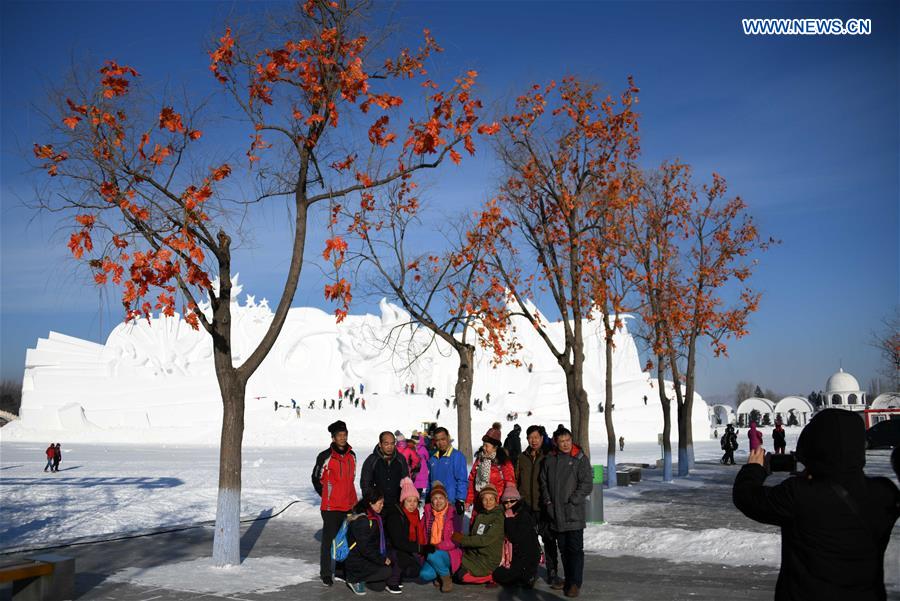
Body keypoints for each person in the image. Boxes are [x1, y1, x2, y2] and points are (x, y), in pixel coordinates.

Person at [733, 409, 900, 601]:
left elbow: (746, 497)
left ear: (811, 445)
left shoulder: (798, 494)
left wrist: (754, 469)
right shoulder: (883, 493)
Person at [540, 427, 592, 598]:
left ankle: (575, 583)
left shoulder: (579, 458)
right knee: (563, 549)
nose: (565, 444)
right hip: (556, 513)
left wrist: (574, 500)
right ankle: (569, 580)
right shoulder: (550, 459)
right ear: (556, 442)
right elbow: (544, 482)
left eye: (568, 440)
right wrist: (548, 502)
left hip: (573, 512)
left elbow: (586, 483)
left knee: (575, 549)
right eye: (562, 441)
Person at [311, 420, 358, 586]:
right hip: (331, 507)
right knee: (329, 540)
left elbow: (351, 479)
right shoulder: (325, 456)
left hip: (348, 505)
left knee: (345, 539)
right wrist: (325, 496)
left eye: (345, 435)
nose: (343, 438)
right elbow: (316, 478)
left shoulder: (352, 455)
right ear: (333, 437)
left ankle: (340, 570)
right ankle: (325, 572)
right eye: (339, 435)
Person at [516, 424, 560, 586]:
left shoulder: (549, 456)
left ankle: (552, 573)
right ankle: (530, 573)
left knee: (548, 541)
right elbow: (516, 479)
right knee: (529, 543)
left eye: (536, 437)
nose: (533, 440)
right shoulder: (522, 457)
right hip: (526, 506)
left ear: (542, 438)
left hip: (544, 506)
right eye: (530, 437)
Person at [383, 478, 434, 593]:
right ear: (403, 501)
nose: (412, 504)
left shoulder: (414, 515)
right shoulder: (395, 516)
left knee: (415, 569)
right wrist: (420, 548)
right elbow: (398, 542)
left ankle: (399, 575)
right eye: (409, 501)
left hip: (403, 547)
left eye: (415, 501)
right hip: (390, 548)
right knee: (402, 557)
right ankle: (392, 581)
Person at [451, 484, 504, 587]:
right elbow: (474, 535)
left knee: (461, 577)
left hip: (487, 558)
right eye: (485, 499)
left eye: (491, 499)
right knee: (453, 567)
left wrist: (462, 540)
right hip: (474, 555)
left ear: (496, 500)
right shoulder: (480, 515)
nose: (488, 502)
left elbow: (484, 540)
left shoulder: (499, 518)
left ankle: (492, 576)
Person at [344, 487, 393, 595]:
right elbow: (365, 548)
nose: (382, 505)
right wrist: (382, 559)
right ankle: (353, 579)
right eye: (380, 503)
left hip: (364, 557)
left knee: (379, 586)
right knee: (387, 570)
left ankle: (362, 578)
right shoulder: (362, 520)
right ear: (371, 503)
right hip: (357, 561)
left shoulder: (372, 516)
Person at [492, 483, 540, 588]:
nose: (508, 504)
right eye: (505, 502)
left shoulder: (523, 516)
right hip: (519, 557)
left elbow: (514, 537)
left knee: (499, 576)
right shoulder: (514, 513)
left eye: (512, 501)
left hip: (528, 558)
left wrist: (509, 519)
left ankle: (528, 575)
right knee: (500, 575)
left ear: (518, 501)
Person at [420, 481, 462, 592]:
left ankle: (446, 578)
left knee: (433, 555)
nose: (438, 501)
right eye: (435, 498)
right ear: (431, 500)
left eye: (441, 498)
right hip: (431, 552)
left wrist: (437, 547)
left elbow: (457, 540)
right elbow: (421, 533)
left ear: (446, 499)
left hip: (449, 553)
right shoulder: (427, 514)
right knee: (424, 574)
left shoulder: (453, 515)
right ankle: (440, 572)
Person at [466, 424, 516, 515]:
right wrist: (469, 500)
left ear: (495, 447)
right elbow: (471, 480)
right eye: (483, 445)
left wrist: (507, 503)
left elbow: (510, 483)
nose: (483, 448)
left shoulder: (503, 462)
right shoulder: (480, 460)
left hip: (497, 505)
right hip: (479, 504)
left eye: (486, 446)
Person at [428, 427, 468, 529]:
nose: (441, 443)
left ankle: (458, 545)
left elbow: (462, 480)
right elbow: (430, 480)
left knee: (454, 532)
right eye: (437, 440)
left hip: (452, 502)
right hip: (436, 502)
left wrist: (460, 499)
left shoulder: (457, 456)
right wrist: (429, 496)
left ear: (448, 438)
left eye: (443, 439)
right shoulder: (433, 458)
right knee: (437, 533)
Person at [360, 432, 410, 507]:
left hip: (396, 505)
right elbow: (365, 484)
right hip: (377, 505)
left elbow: (406, 482)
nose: (390, 447)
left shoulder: (400, 459)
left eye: (392, 443)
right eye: (386, 444)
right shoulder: (372, 460)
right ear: (380, 444)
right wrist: (373, 501)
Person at [411, 434, 431, 500]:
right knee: (419, 490)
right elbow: (427, 457)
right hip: (422, 473)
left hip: (414, 472)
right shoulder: (423, 449)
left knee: (413, 491)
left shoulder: (411, 448)